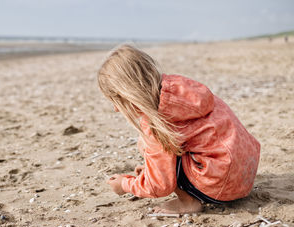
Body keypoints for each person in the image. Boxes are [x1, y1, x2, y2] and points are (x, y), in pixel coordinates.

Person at [97, 44, 261, 214]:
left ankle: (188, 202)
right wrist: (149, 169)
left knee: (148, 145)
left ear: (130, 94)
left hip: (221, 187)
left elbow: (160, 186)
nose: (116, 109)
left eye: (115, 101)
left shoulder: (157, 121)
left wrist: (125, 185)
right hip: (245, 174)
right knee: (162, 147)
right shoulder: (181, 88)